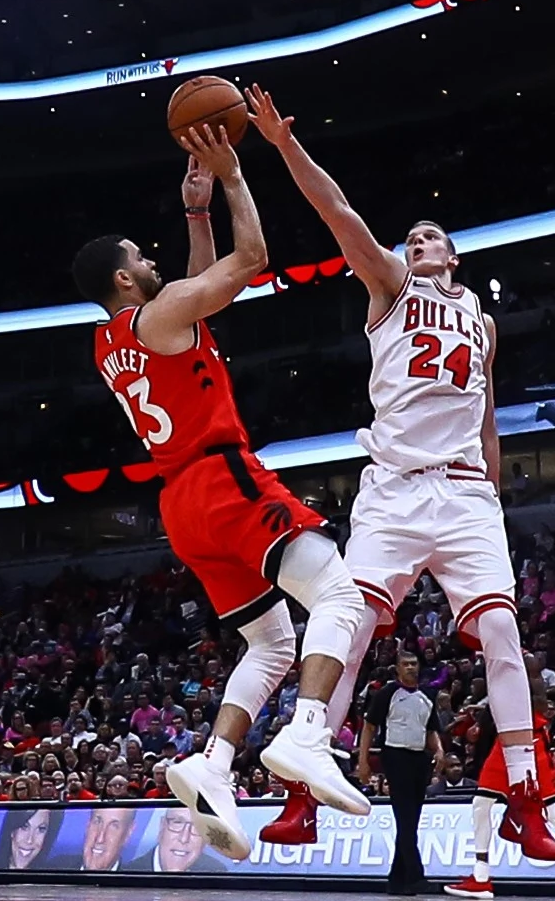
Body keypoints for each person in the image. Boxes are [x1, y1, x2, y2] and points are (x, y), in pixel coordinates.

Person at [239, 88, 555, 865]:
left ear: (452, 253)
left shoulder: (481, 321)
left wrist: (492, 477)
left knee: (503, 632)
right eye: (410, 234)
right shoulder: (388, 285)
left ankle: (524, 796)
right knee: (344, 631)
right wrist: (284, 146)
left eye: (430, 235)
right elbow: (338, 210)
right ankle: (300, 795)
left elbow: (485, 404)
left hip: (464, 492)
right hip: (391, 486)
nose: (416, 238)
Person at [72, 125, 358, 857]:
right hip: (220, 474)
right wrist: (233, 177)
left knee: (268, 641)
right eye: (141, 255)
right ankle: (306, 734)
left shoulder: (112, 340)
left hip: (180, 503)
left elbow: (196, 295)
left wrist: (196, 213)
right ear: (124, 280)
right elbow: (252, 260)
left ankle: (213, 761)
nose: (152, 256)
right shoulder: (157, 315)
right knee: (338, 594)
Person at [450, 668, 555, 901]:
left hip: (527, 735)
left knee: (551, 811)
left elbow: (538, 700)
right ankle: (481, 877)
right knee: (481, 803)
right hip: (508, 736)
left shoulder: (522, 663)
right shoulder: (500, 661)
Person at [372, 669, 438, 894]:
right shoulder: (387, 693)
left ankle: (397, 879)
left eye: (414, 663)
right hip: (395, 755)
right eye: (406, 663)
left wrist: (439, 751)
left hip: (419, 757)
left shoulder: (426, 696)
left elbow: (431, 728)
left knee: (411, 819)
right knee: (405, 817)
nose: (411, 667)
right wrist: (363, 762)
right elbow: (369, 726)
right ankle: (415, 875)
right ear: (398, 668)